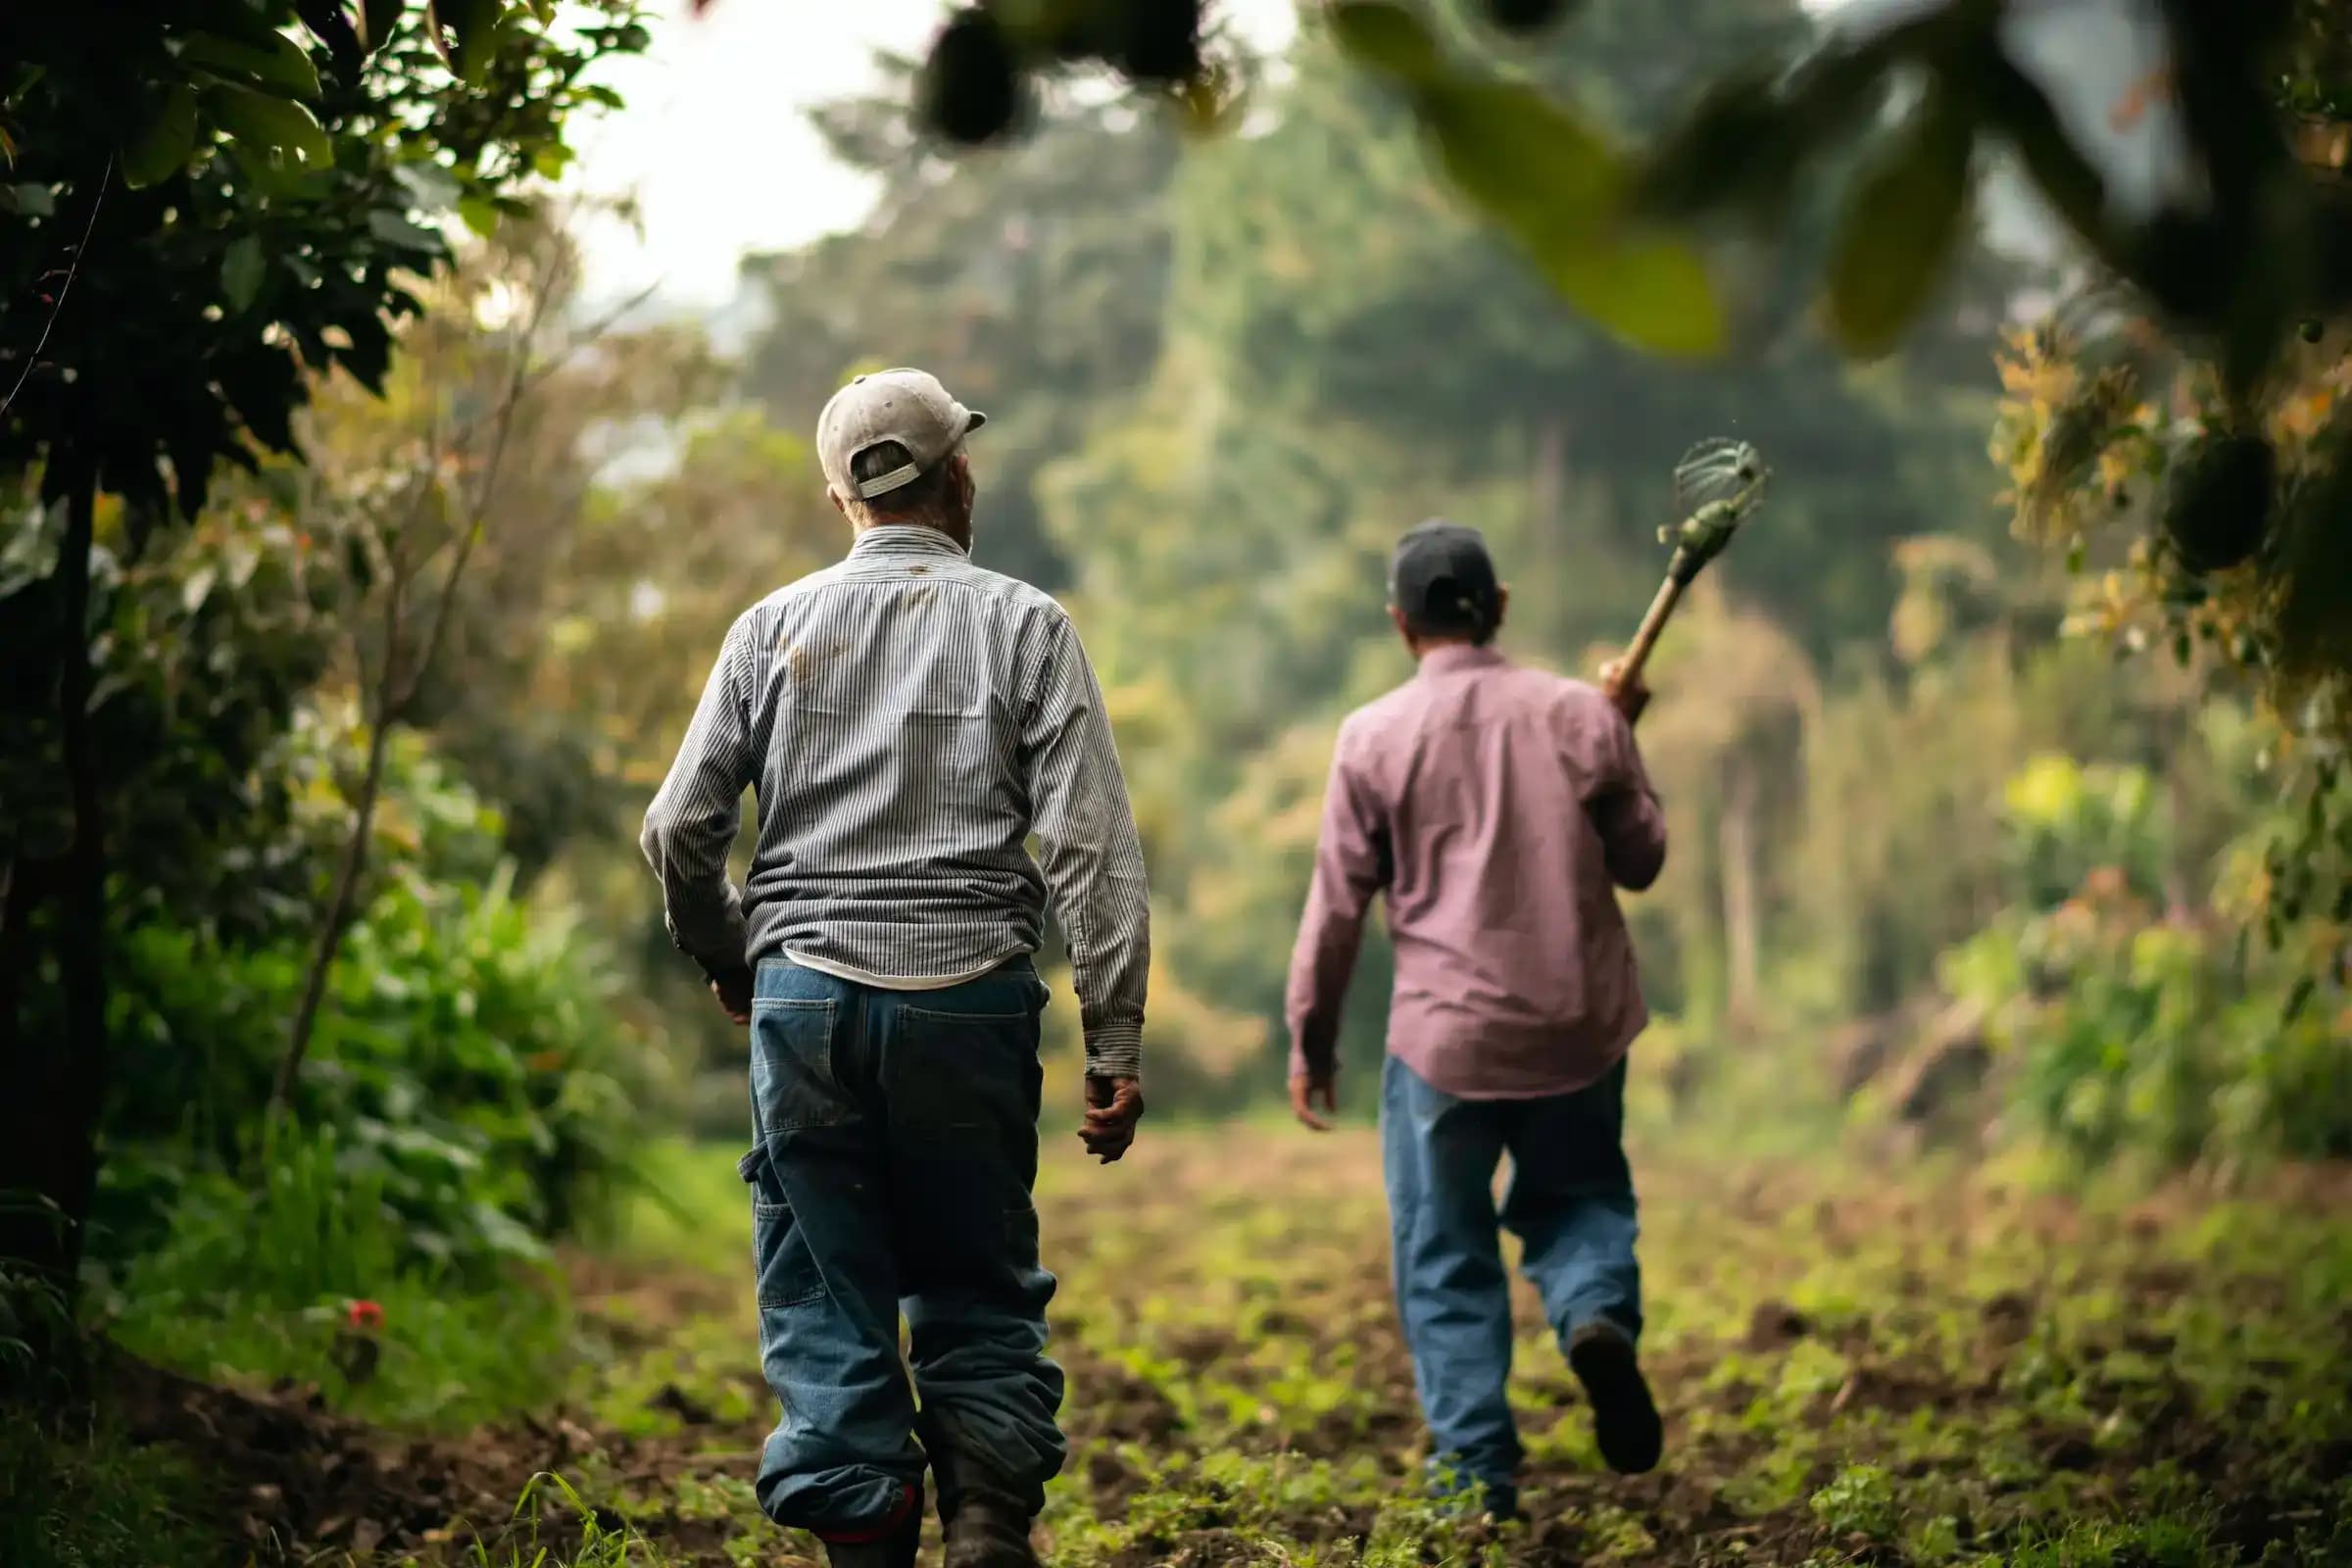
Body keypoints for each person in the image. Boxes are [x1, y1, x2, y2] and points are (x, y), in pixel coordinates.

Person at [640, 368, 1151, 1568]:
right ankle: (983, 1518)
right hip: (969, 998)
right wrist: (1113, 1040)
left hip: (805, 1002)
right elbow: (1090, 851)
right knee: (975, 1271)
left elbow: (678, 828)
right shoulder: (1029, 624)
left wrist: (732, 956)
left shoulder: (770, 629)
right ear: (958, 475)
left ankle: (868, 1529)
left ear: (840, 499)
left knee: (826, 1284)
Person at [1284, 518, 1667, 1519]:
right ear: (1499, 609)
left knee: (1445, 1248)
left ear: (1400, 624)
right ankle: (1594, 1320)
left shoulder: (1370, 737)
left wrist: (1312, 1038)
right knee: (1580, 1195)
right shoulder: (1579, 716)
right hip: (1576, 1027)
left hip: (1442, 1045)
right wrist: (1621, 731)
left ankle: (1475, 1477)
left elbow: (1336, 909)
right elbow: (1642, 859)